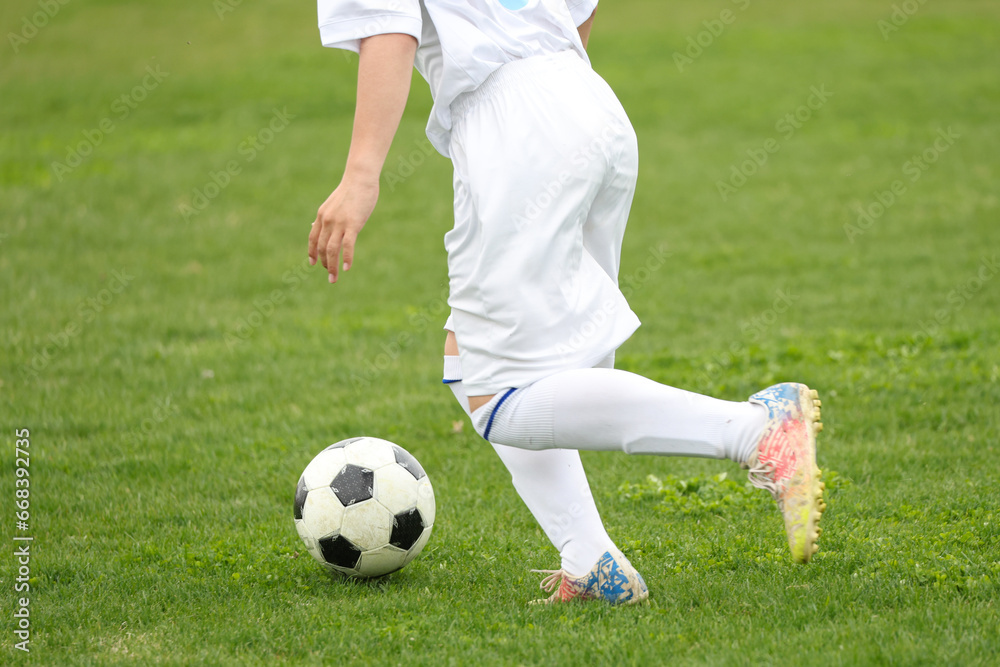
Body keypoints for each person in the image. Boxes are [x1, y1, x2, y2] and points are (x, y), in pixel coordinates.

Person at [307, 0, 825, 605]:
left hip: (516, 126)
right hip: (587, 101)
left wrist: (361, 175)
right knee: (474, 358)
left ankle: (756, 431)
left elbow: (390, 31)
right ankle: (591, 564)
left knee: (500, 400)